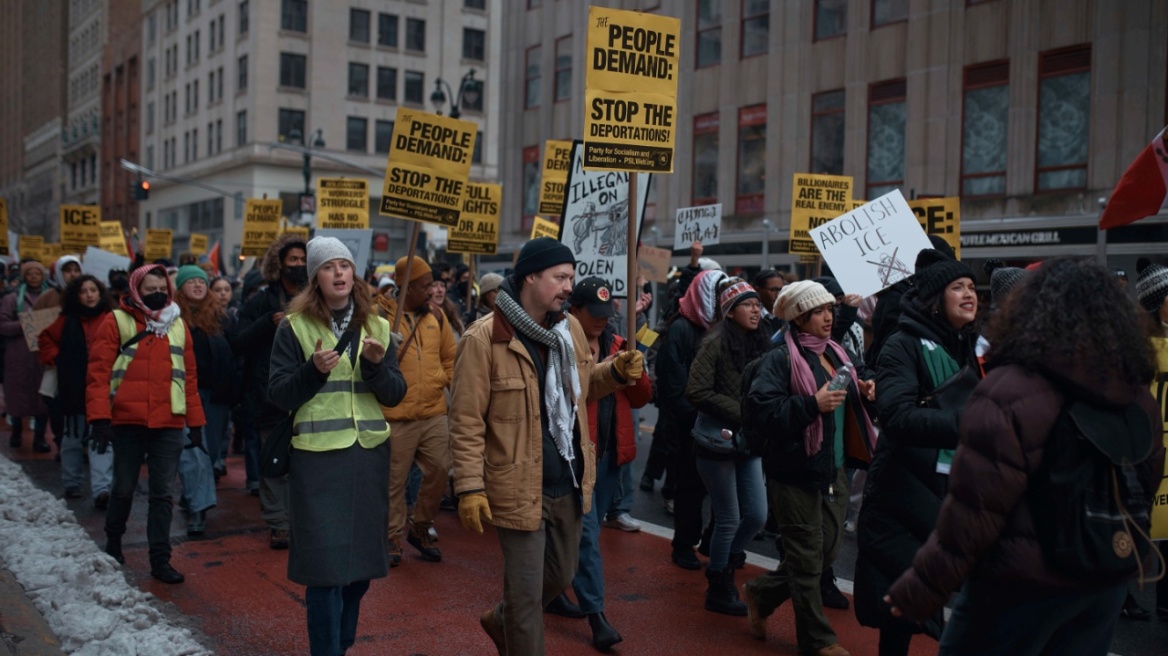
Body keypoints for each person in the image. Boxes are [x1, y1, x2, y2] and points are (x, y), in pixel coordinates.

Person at [886, 257, 1165, 654]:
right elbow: (1146, 479)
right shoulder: (1136, 394)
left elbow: (975, 508)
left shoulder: (1009, 389)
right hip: (1106, 573)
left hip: (1020, 584)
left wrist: (924, 586)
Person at [449, 237, 643, 656]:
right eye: (560, 277)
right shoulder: (484, 338)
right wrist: (469, 487)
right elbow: (465, 420)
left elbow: (582, 388)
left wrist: (614, 373)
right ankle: (514, 622)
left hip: (568, 481)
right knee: (526, 602)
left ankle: (501, 618)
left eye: (571, 277)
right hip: (518, 486)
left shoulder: (568, 329)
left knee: (561, 574)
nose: (568, 286)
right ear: (530, 278)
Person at [267, 236, 407, 656]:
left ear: (354, 274)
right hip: (318, 461)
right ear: (315, 278)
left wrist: (376, 368)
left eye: (344, 265)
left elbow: (395, 394)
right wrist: (312, 371)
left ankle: (340, 645)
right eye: (328, 267)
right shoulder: (294, 327)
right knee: (325, 572)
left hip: (367, 456)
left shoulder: (378, 325)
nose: (339, 273)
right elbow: (278, 393)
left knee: (360, 571)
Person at [854, 249, 981, 656]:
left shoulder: (971, 347)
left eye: (972, 287)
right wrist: (968, 423)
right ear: (935, 298)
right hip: (904, 490)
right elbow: (896, 416)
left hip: (951, 485)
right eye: (958, 287)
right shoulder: (903, 344)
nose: (970, 294)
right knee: (902, 610)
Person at [740, 281, 876, 656]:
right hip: (794, 471)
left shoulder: (837, 351)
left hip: (833, 468)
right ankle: (817, 640)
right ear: (799, 318)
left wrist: (868, 387)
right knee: (805, 559)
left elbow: (863, 373)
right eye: (818, 312)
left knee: (824, 553)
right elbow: (763, 411)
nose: (828, 317)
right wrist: (812, 405)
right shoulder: (779, 359)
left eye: (830, 309)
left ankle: (761, 593)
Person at [86, 263, 206, 584]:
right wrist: (99, 418)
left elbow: (189, 377)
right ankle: (113, 542)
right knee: (123, 488)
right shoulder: (116, 321)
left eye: (162, 289)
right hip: (127, 420)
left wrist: (195, 422)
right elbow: (98, 373)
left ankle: (160, 559)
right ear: (136, 290)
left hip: (169, 421)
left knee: (163, 494)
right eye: (150, 289)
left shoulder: (178, 324)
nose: (157, 294)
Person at [565, 276, 652, 651]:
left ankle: (553, 590)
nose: (601, 319)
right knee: (585, 535)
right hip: (577, 456)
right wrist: (603, 371)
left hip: (608, 457)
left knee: (586, 532)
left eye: (605, 312)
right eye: (593, 312)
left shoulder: (619, 344)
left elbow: (642, 398)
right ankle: (596, 615)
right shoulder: (562, 345)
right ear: (574, 310)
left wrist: (634, 369)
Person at [686, 278, 771, 615]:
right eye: (748, 305)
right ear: (730, 312)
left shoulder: (762, 342)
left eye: (757, 305)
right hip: (716, 443)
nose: (756, 310)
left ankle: (723, 560)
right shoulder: (715, 343)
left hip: (748, 442)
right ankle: (719, 585)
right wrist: (743, 412)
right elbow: (696, 391)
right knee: (729, 518)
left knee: (757, 515)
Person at [233, 234, 308, 547]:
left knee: (306, 463)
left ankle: (302, 519)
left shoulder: (315, 299)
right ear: (280, 264)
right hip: (270, 395)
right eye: (293, 260)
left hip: (308, 394)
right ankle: (279, 522)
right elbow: (238, 342)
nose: (298, 265)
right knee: (276, 460)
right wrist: (267, 323)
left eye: (303, 260)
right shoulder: (261, 302)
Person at [383, 256, 456, 567]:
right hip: (395, 415)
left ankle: (421, 526)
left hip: (433, 411)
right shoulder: (381, 316)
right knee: (394, 482)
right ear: (407, 287)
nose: (431, 291)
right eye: (425, 285)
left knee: (440, 470)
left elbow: (450, 357)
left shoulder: (436, 316)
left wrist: (450, 386)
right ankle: (391, 538)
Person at [657, 268, 727, 568]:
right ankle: (684, 544)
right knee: (690, 486)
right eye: (718, 296)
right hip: (689, 425)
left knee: (723, 489)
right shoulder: (681, 329)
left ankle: (715, 541)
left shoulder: (725, 328)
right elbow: (672, 382)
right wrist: (696, 414)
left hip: (720, 422)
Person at [37, 274, 115, 506]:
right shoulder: (66, 320)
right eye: (83, 291)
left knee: (101, 437)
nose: (89, 295)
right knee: (72, 438)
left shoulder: (112, 318)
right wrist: (59, 358)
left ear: (101, 293)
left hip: (103, 387)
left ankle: (102, 489)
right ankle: (72, 483)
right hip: (73, 388)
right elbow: (45, 339)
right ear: (76, 296)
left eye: (93, 290)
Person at [173, 265, 236, 536]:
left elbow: (238, 348)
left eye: (201, 281)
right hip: (186, 393)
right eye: (191, 282)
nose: (198, 285)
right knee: (193, 451)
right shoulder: (171, 318)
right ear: (180, 288)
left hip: (216, 394)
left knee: (208, 452)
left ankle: (192, 495)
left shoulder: (222, 318)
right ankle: (198, 510)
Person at [0, 260, 51, 452]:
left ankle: (39, 437)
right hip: (18, 356)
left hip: (43, 355)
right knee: (17, 396)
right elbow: (3, 325)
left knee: (43, 397)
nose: (34, 277)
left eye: (37, 273)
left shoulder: (51, 296)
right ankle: (17, 431)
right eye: (30, 274)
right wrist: (27, 324)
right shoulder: (12, 298)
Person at [753, 269, 786, 338]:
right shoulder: (751, 317)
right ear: (758, 290)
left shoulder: (787, 316)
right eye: (773, 290)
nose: (778, 295)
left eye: (781, 290)